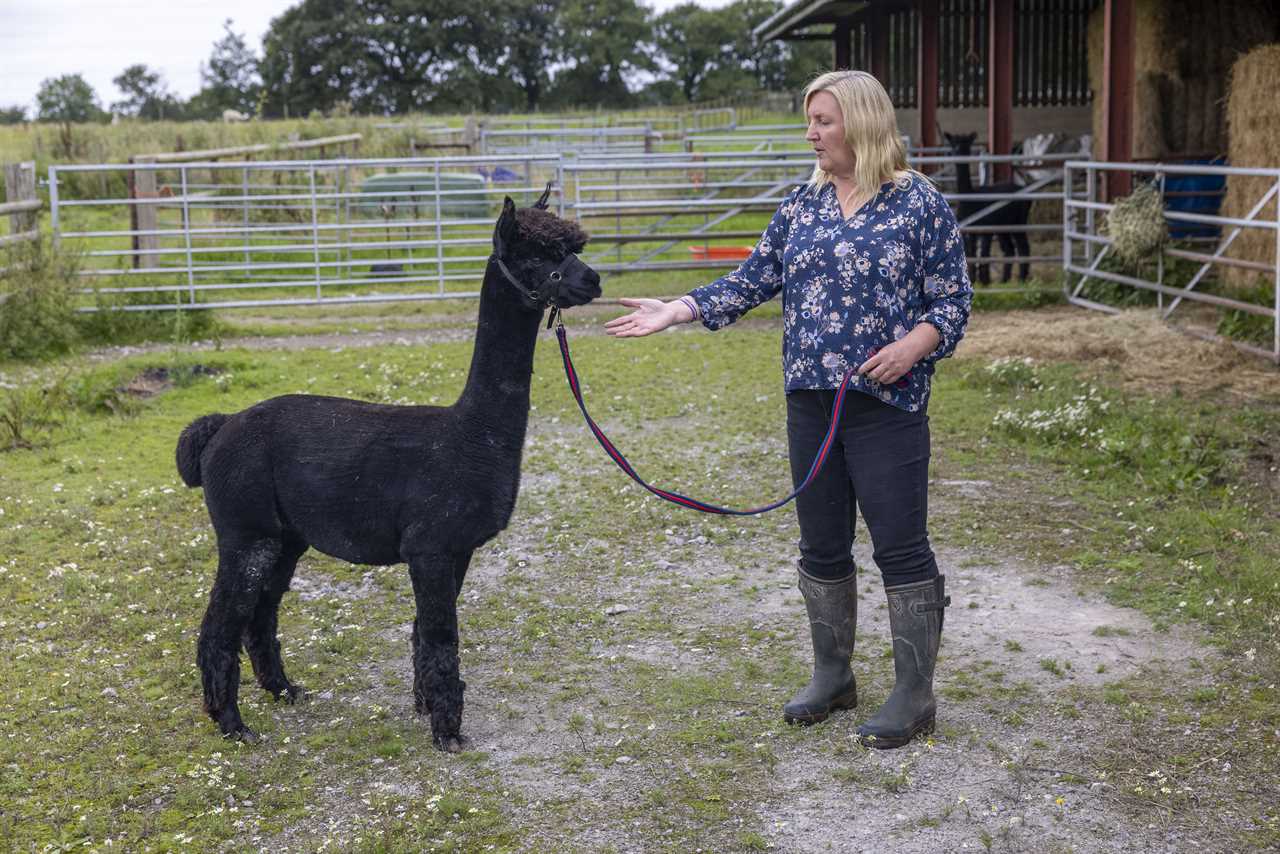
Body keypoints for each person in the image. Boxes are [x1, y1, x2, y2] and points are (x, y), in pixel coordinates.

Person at [604, 70, 972, 750]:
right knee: (821, 545)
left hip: (887, 407)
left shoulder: (918, 204)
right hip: (811, 405)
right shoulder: (801, 207)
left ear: (861, 122)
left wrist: (913, 345)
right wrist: (678, 308)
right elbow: (751, 281)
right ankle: (833, 675)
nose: (812, 133)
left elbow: (951, 304)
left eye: (824, 120)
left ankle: (914, 692)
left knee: (900, 547)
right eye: (811, 121)